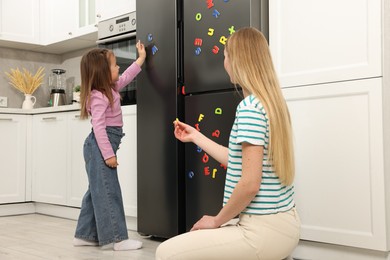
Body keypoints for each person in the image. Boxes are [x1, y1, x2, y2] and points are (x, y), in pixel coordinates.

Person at [156, 27, 300, 260]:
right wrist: (196, 136)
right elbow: (240, 162)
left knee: (166, 253)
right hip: (286, 225)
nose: (224, 63)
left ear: (237, 61)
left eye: (225, 56)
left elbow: (250, 183)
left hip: (261, 231)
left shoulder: (249, 109)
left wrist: (217, 220)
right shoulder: (272, 103)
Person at [73, 41, 146, 251]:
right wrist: (108, 155)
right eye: (114, 66)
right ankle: (117, 238)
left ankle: (85, 234)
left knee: (96, 190)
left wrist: (140, 59)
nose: (118, 68)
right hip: (100, 146)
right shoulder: (98, 96)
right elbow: (98, 128)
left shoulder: (111, 88)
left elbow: (127, 76)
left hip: (100, 146)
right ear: (103, 73)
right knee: (108, 191)